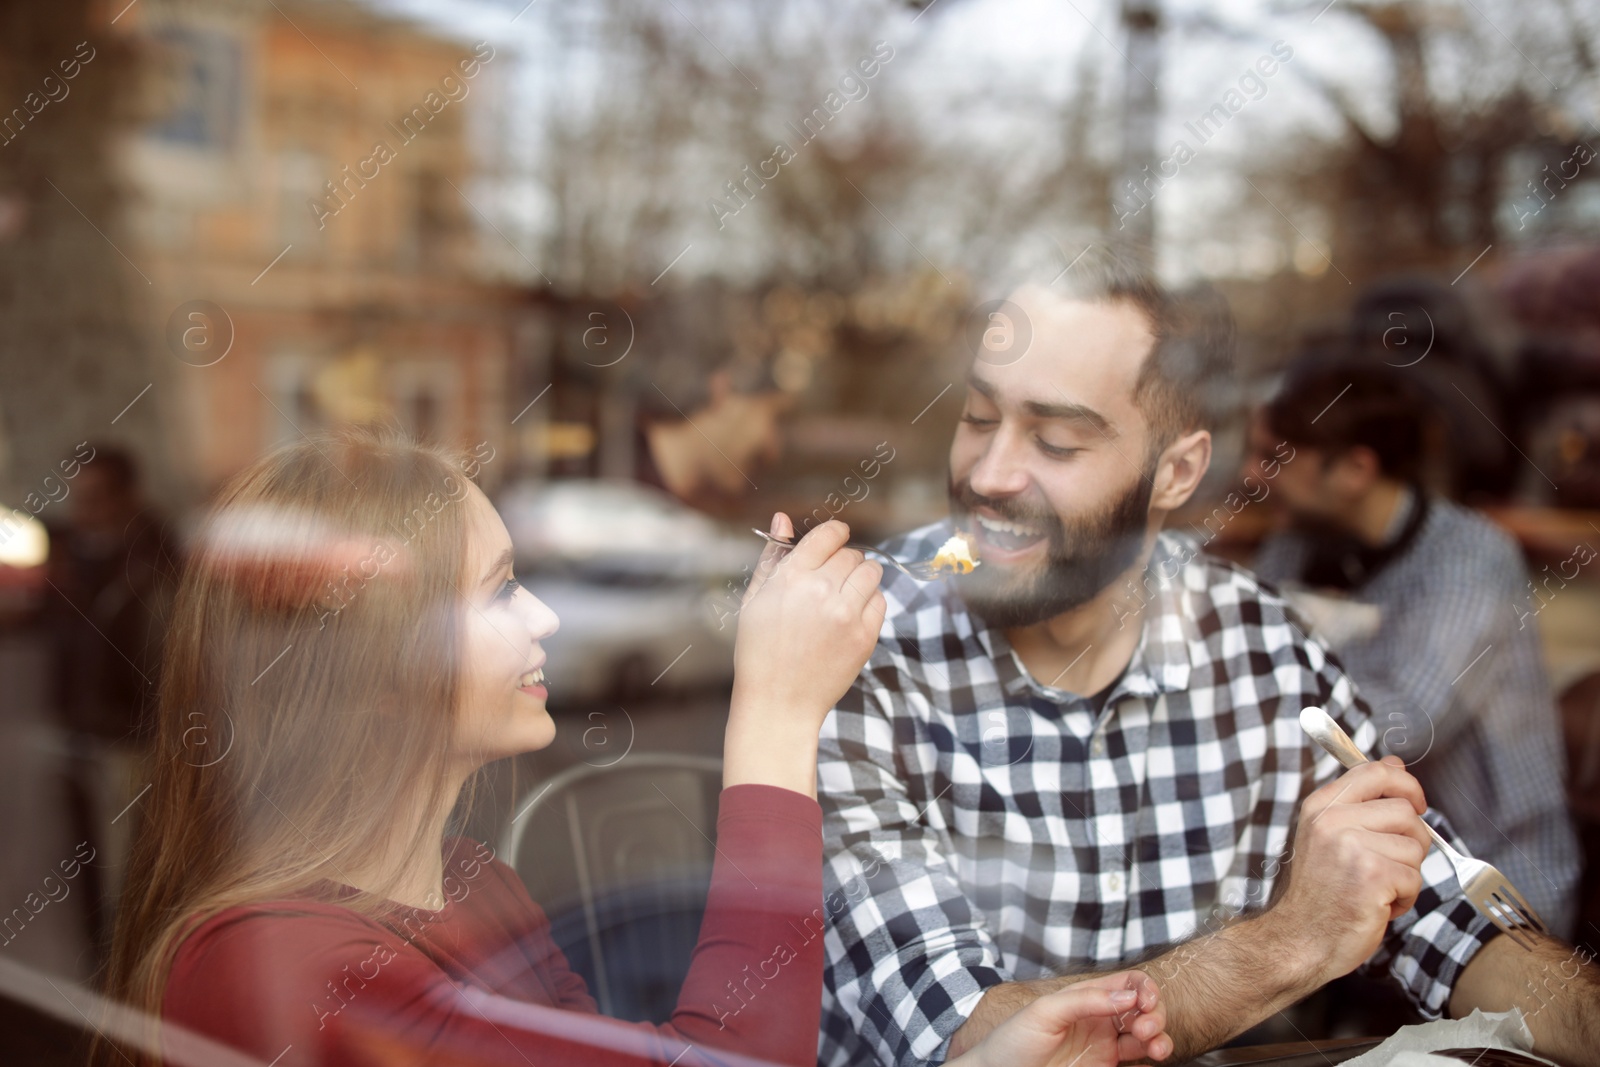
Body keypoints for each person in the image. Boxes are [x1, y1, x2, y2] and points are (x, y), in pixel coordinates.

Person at [101, 427, 1170, 1067]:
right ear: (373, 663)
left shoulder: (471, 883)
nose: (544, 621)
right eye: (496, 591)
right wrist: (774, 719)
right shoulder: (274, 964)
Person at [814, 253, 1600, 1067]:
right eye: (978, 417)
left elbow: (1445, 920)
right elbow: (957, 1035)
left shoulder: (1259, 642)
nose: (988, 474)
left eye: (1054, 438)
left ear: (1177, 471)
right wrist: (1291, 941)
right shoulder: (861, 638)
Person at [1249, 360, 1579, 937]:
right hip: (1370, 871)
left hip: (1488, 878)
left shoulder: (1470, 558)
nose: (1254, 474)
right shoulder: (1297, 544)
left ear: (1354, 469)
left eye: (1275, 457)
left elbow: (1404, 724)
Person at [39, 443, 181, 966]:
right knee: (86, 875)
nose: (83, 512)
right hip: (82, 737)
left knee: (126, 881)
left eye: (95, 498)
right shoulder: (75, 561)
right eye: (76, 499)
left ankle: (125, 992)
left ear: (127, 498)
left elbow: (164, 668)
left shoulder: (153, 569)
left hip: (129, 744)